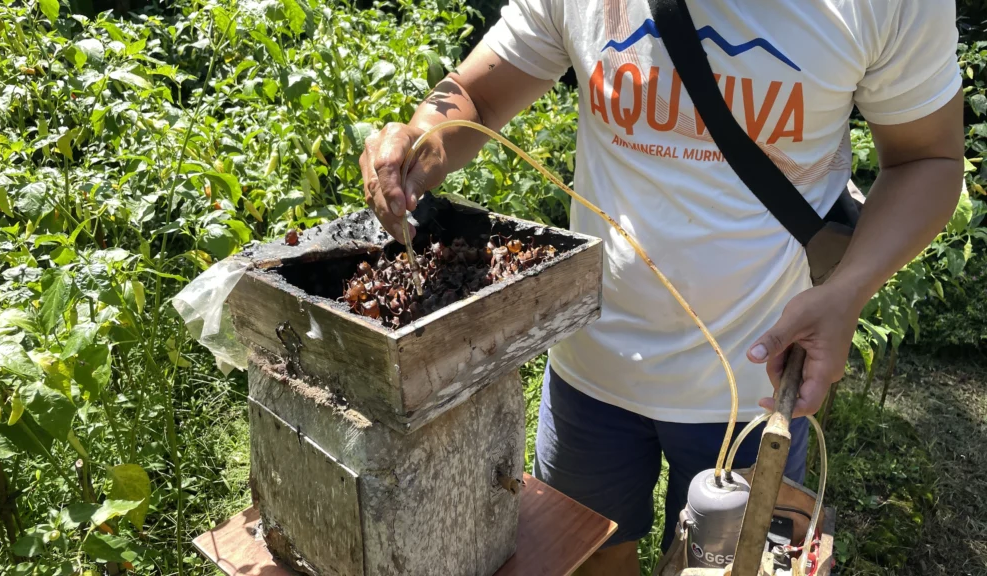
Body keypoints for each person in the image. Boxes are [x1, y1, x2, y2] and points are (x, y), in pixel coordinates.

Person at [359, 0, 964, 573]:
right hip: (590, 370)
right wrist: (422, 136)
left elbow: (927, 160)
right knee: (588, 558)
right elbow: (478, 94)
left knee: (727, 566)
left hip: (757, 387)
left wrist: (848, 291)